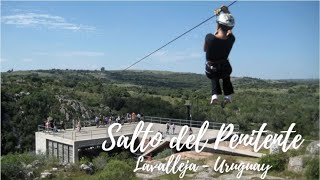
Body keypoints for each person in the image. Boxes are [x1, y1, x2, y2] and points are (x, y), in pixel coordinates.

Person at [204, 5, 235, 107]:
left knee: (214, 76)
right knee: (226, 77)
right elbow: (229, 28)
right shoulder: (231, 39)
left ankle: (214, 96)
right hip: (225, 68)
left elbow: (205, 49)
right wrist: (226, 12)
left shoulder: (210, 38)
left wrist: (218, 19)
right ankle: (228, 96)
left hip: (212, 69)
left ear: (218, 25)